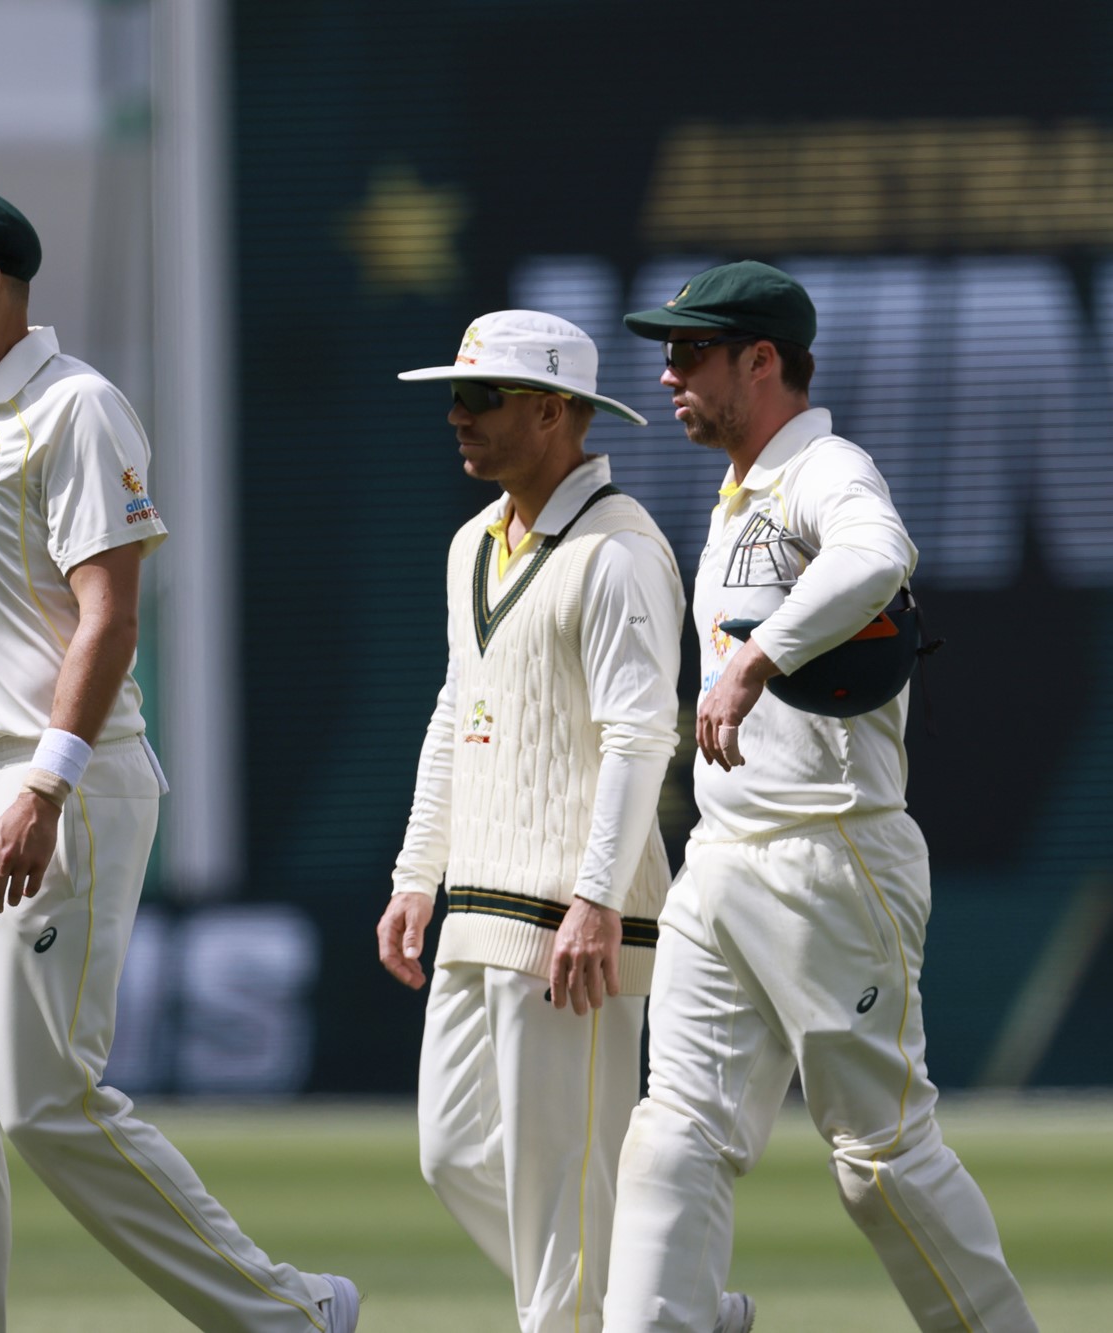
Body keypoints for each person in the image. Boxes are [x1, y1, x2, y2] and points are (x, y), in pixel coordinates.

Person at [0, 184, 357, 1332]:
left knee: (40, 1100)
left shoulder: (72, 409)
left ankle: (287, 1314)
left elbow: (111, 616)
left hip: (55, 782)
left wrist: (45, 782)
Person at [600, 261, 1038, 1333]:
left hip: (829, 856)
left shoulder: (823, 468)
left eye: (689, 353)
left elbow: (879, 556)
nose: (666, 375)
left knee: (878, 1160)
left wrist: (757, 659)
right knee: (675, 1128)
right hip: (724, 855)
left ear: (761, 360)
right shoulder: (742, 489)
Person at [375, 311, 751, 1332]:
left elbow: (641, 738)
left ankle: (632, 1306)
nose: (457, 417)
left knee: (556, 1207)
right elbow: (460, 711)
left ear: (552, 412)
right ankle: (667, 1302)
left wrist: (592, 897)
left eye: (480, 398)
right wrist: (418, 873)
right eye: (454, 396)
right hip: (478, 902)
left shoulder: (620, 551)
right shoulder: (471, 547)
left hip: (569, 921)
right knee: (453, 1152)